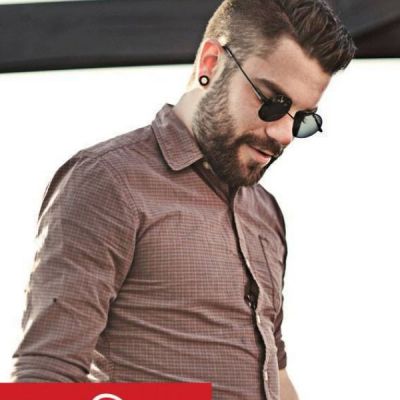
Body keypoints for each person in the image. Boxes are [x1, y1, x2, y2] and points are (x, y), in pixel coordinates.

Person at [11, 1, 355, 399]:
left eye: (302, 118)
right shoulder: (108, 180)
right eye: (273, 102)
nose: (283, 135)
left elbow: (274, 374)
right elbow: (44, 377)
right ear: (211, 63)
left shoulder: (265, 211)